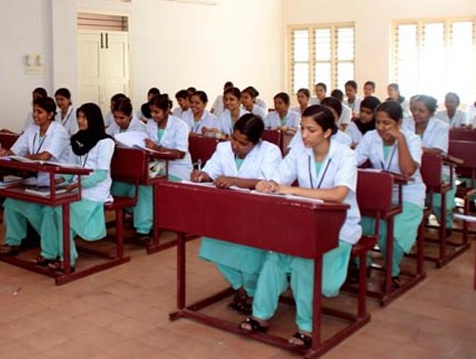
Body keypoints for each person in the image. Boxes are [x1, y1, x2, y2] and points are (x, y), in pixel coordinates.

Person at [242, 105, 360, 350]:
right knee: (275, 258)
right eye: (302, 128)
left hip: (339, 226)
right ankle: (260, 315)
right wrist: (270, 184)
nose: (304, 135)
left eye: (311, 130)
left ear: (327, 132)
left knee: (306, 264)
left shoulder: (345, 155)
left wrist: (291, 189)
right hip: (305, 222)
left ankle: (307, 327)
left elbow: (338, 194)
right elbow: (280, 178)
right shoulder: (299, 152)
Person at [192, 114, 282, 314]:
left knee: (248, 252)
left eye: (243, 143)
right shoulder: (223, 148)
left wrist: (234, 181)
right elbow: (211, 172)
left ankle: (251, 291)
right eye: (234, 139)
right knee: (213, 243)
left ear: (256, 142)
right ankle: (239, 286)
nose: (235, 145)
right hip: (228, 211)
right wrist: (201, 175)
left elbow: (269, 183)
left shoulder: (270, 151)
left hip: (257, 214)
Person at [355, 101, 424, 285]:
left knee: (392, 232)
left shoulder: (412, 139)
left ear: (399, 123)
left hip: (408, 192)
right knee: (355, 223)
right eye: (378, 122)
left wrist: (400, 139)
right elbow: (353, 162)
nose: (380, 127)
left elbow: (408, 171)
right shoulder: (370, 137)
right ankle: (363, 264)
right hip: (379, 191)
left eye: (386, 123)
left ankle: (391, 271)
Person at [40, 103, 115, 270]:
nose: (80, 121)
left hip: (95, 191)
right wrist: (61, 180)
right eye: (78, 117)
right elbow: (71, 167)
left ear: (93, 119)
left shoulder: (105, 142)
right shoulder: (77, 140)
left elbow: (101, 174)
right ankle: (49, 253)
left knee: (61, 210)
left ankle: (67, 259)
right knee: (48, 209)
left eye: (84, 117)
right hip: (76, 187)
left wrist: (77, 184)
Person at [0, 97, 70, 256]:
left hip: (57, 180)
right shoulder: (32, 129)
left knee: (39, 208)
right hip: (36, 179)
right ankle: (13, 241)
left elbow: (44, 157)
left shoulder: (59, 131)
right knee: (11, 201)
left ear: (50, 114)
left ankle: (51, 241)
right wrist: (4, 153)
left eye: (39, 112)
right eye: (34, 111)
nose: (35, 115)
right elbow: (15, 152)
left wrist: (28, 157)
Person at [113, 94, 192, 241]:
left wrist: (157, 148)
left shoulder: (180, 126)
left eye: (157, 112)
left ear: (167, 110)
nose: (153, 116)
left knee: (146, 186)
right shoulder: (150, 124)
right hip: (157, 165)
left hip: (177, 168)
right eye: (151, 112)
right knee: (126, 185)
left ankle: (144, 229)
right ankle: (141, 215)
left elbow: (180, 154)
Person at [404, 95, 453, 230]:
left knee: (438, 201)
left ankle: (446, 224)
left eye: (421, 110)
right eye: (414, 109)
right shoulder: (405, 124)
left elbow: (438, 150)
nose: (416, 113)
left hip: (435, 169)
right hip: (411, 169)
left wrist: (414, 149)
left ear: (431, 112)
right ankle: (416, 222)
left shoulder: (441, 127)